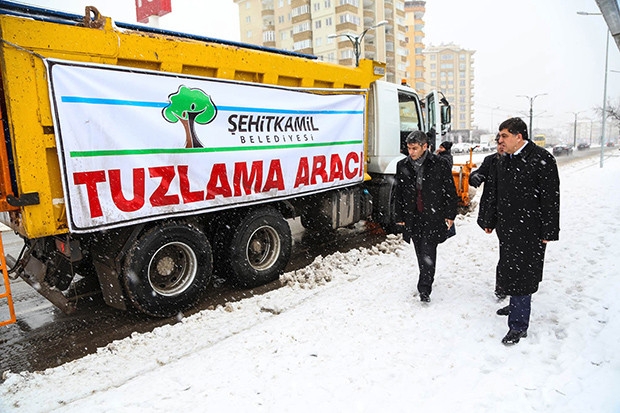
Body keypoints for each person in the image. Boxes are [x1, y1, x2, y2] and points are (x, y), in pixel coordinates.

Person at [478, 117, 560, 345]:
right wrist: (490, 219)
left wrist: (548, 231)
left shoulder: (542, 159)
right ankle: (516, 304)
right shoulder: (505, 160)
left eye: (504, 135)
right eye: (499, 136)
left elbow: (551, 199)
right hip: (507, 227)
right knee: (510, 267)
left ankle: (518, 326)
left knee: (524, 273)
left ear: (518, 136)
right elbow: (495, 193)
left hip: (531, 229)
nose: (500, 140)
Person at [394, 131, 458, 303]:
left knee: (428, 250)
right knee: (419, 251)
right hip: (413, 216)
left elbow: (449, 190)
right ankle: (425, 275)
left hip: (433, 215)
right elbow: (398, 193)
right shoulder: (403, 165)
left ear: (425, 146)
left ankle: (425, 287)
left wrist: (450, 214)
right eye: (409, 148)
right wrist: (399, 216)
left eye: (415, 148)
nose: (411, 152)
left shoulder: (439, 164)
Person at [470, 134, 507, 300]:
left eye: (503, 143)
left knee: (508, 253)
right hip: (496, 213)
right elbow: (478, 174)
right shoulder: (490, 160)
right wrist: (475, 177)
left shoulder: (519, 162)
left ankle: (506, 287)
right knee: (506, 251)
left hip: (515, 215)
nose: (500, 146)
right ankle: (503, 287)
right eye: (498, 143)